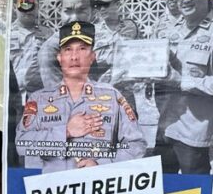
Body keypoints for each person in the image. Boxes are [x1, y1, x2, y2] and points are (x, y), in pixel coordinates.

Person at [16, 21, 146, 173]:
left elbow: (137, 144)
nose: (74, 57)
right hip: (52, 190)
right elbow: (22, 144)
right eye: (68, 49)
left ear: (92, 57)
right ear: (59, 57)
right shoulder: (38, 100)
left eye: (82, 49)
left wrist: (102, 165)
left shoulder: (112, 96)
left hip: (98, 188)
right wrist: (66, 131)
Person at [153, 0, 213, 175]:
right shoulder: (171, 30)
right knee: (161, 191)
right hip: (165, 126)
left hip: (193, 134)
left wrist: (182, 81)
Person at [37, 0, 96, 91]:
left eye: (81, 10)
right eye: (68, 11)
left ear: (93, 13)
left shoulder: (99, 40)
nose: (74, 18)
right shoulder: (50, 51)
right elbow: (60, 97)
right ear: (60, 12)